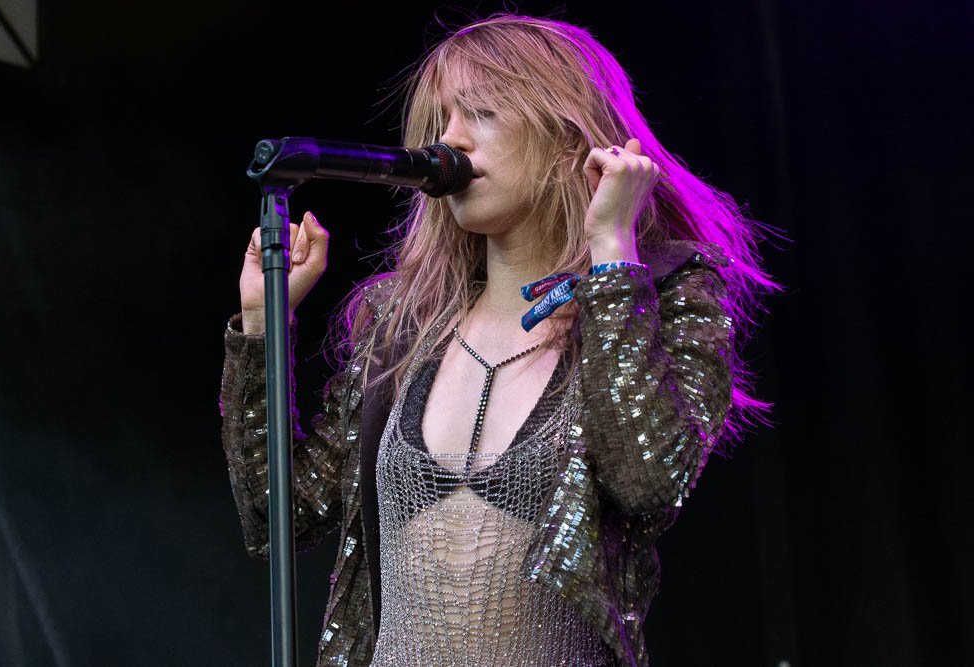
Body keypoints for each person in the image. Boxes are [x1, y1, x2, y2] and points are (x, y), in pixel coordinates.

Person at [220, 13, 776, 666]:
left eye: (480, 112)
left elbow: (646, 480)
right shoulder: (398, 325)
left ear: (566, 138)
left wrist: (611, 252)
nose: (449, 140)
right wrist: (260, 325)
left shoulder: (660, 295)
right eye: (441, 120)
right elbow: (276, 519)